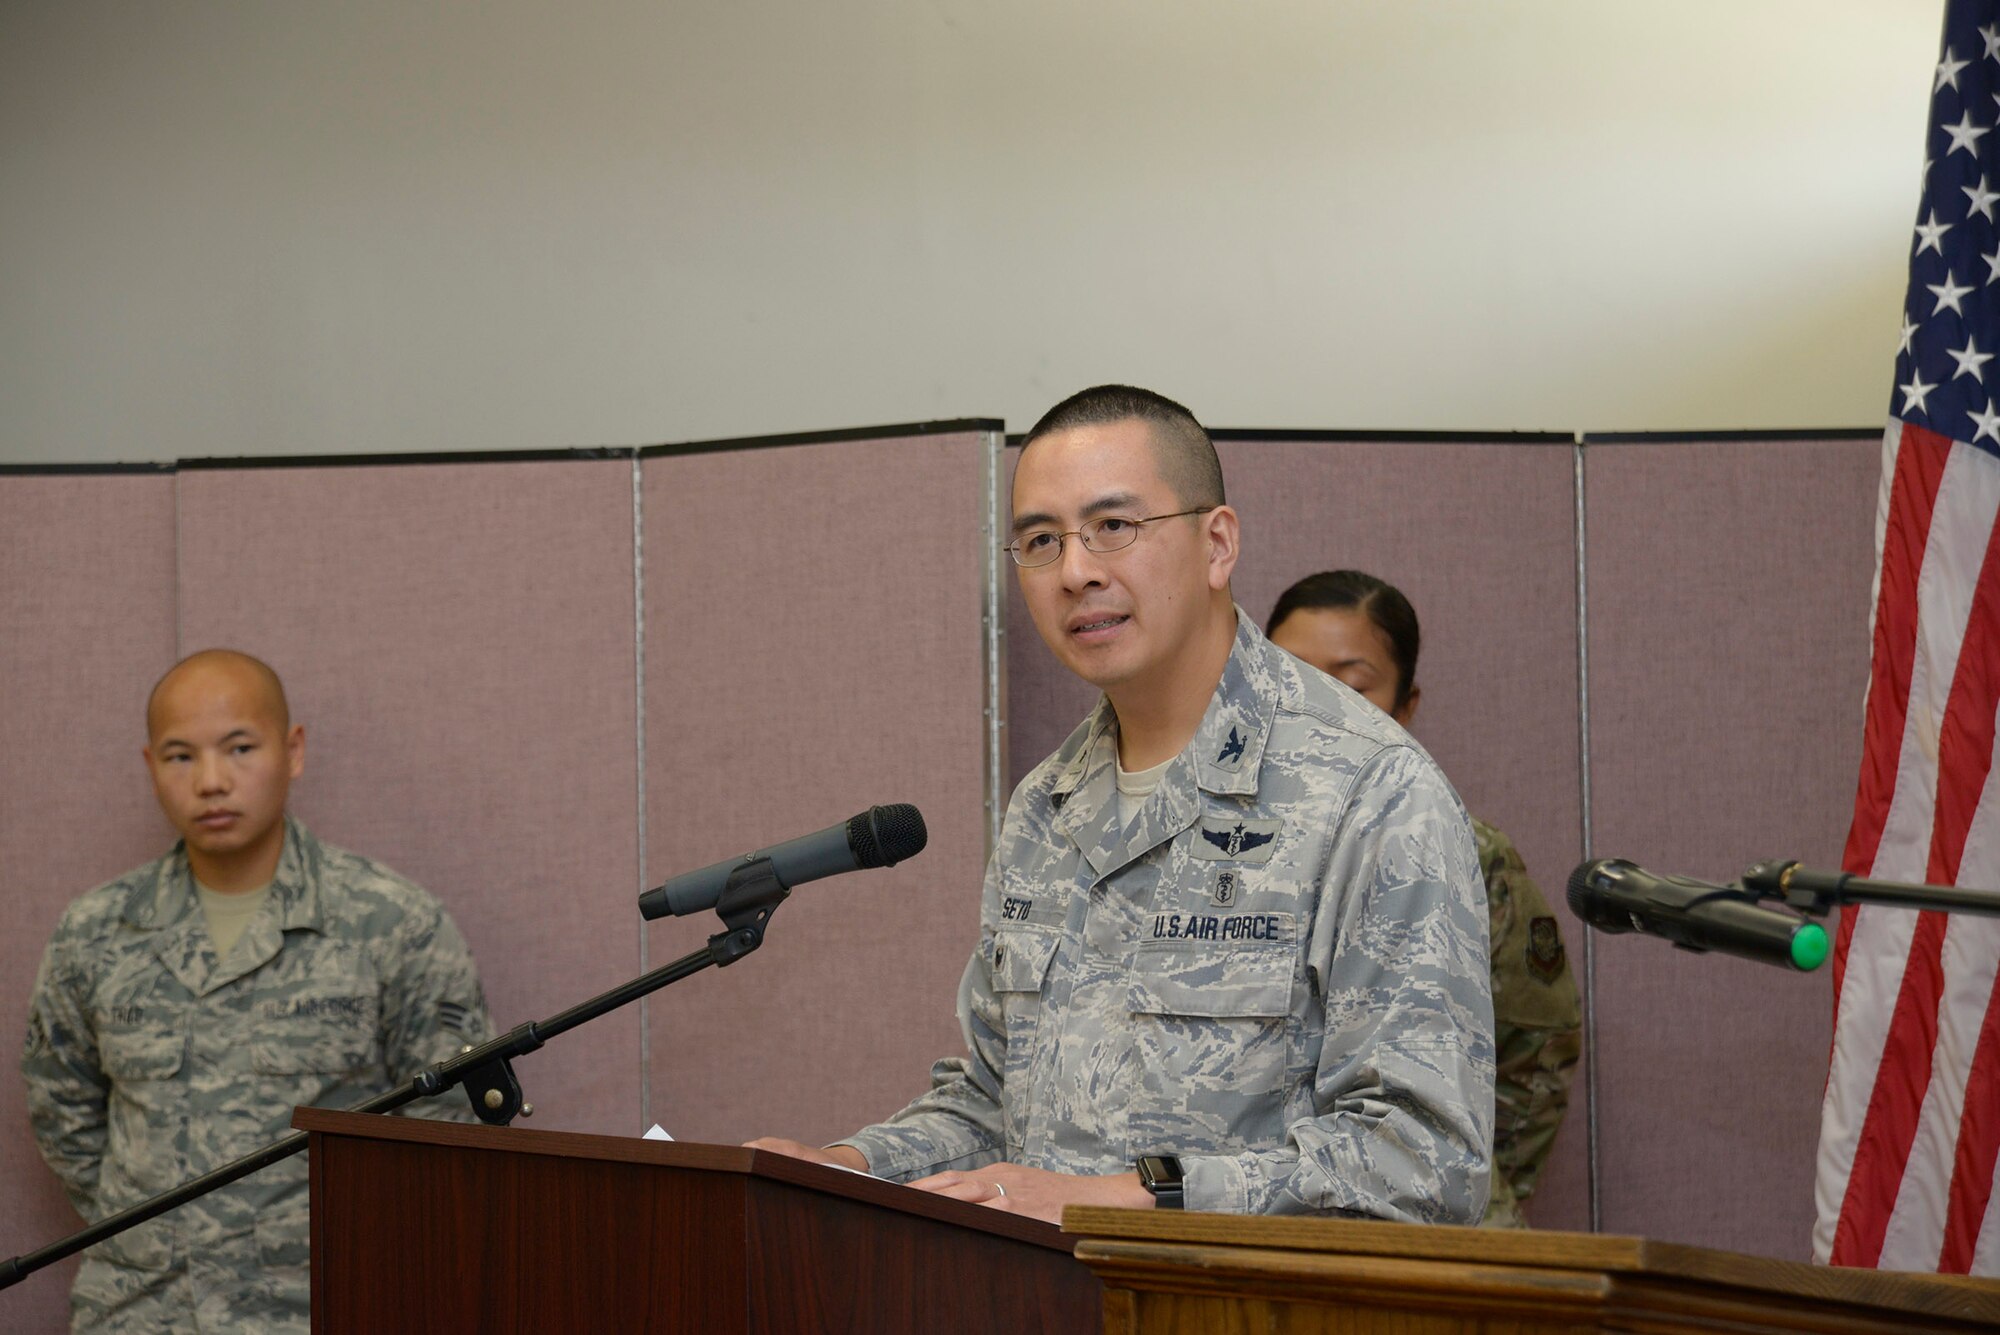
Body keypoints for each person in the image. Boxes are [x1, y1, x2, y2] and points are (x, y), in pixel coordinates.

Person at [750, 386, 1494, 1224]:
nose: (1076, 571)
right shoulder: (1046, 805)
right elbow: (998, 1103)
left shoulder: (1370, 790)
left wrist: (1119, 1198)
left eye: (1114, 526)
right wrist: (844, 1165)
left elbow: (1422, 1162)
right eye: (1040, 540)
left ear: (1216, 543)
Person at [21, 649, 493, 1333]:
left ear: (293, 750)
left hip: (323, 1303)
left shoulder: (391, 921)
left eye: (239, 747)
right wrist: (156, 1232)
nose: (211, 780)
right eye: (181, 757)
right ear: (151, 766)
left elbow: (451, 1121)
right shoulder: (94, 932)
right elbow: (62, 1109)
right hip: (140, 1311)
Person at [1265, 570, 1582, 1228]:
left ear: (1405, 705)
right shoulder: (1220, 845)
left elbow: (1538, 1044)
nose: (1318, 708)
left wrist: (1478, 1187)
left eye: (1351, 686)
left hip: (1420, 1226)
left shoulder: (1466, 851)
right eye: (1290, 678)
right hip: (1259, 1215)